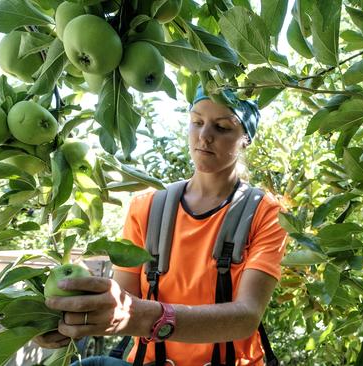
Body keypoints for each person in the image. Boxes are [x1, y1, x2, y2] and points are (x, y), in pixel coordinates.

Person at [37, 87, 288, 365]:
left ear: (245, 139)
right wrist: (66, 319)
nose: (205, 136)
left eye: (222, 126)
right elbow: (123, 301)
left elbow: (246, 318)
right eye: (197, 122)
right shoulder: (147, 208)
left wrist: (142, 316)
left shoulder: (265, 212)